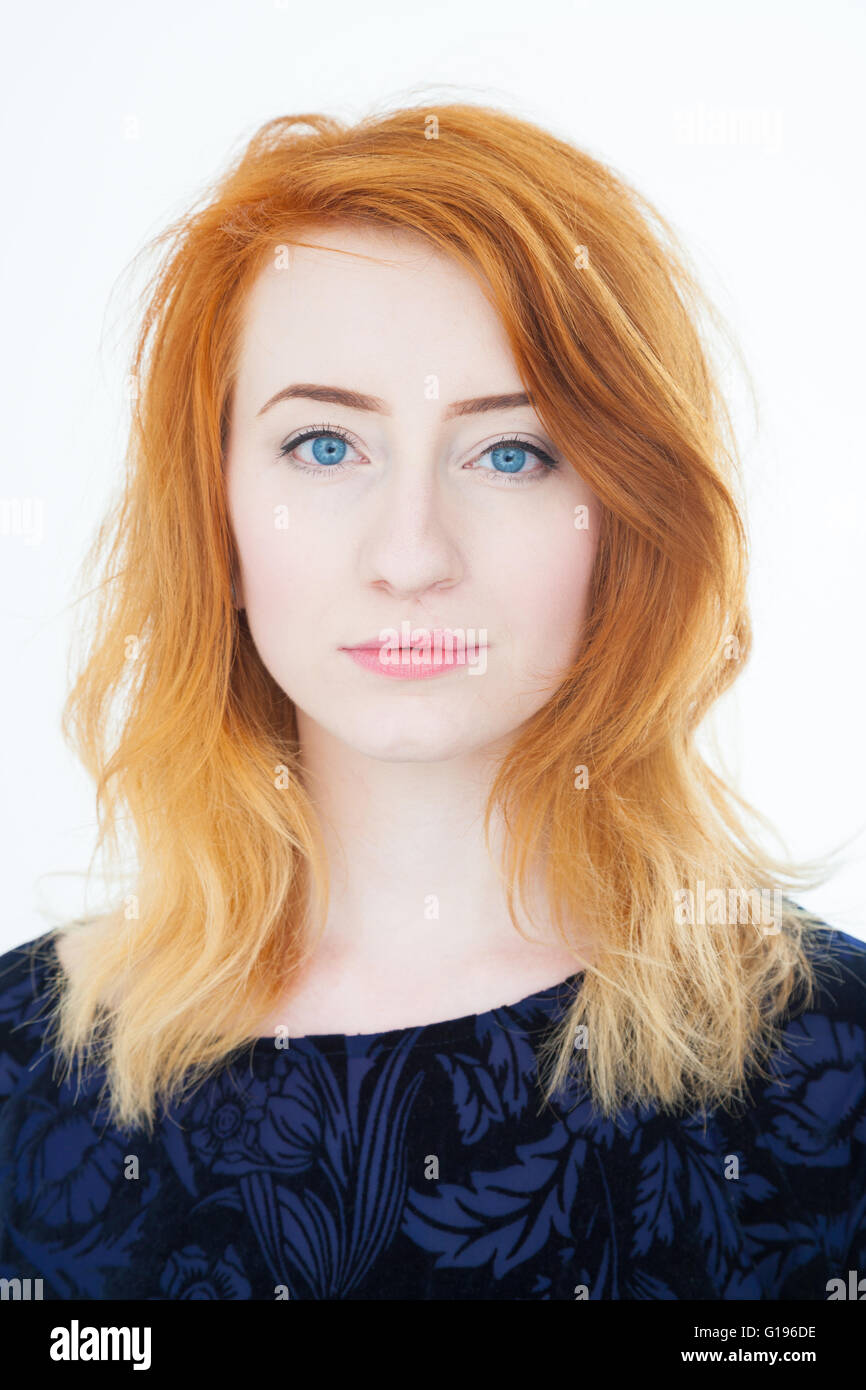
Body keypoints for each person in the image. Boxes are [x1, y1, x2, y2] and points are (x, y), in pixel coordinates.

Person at [1, 101, 864, 1301]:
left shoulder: (834, 1069)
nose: (409, 555)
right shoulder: (21, 1075)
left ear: (624, 517)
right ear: (217, 514)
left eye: (509, 453)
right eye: (322, 445)